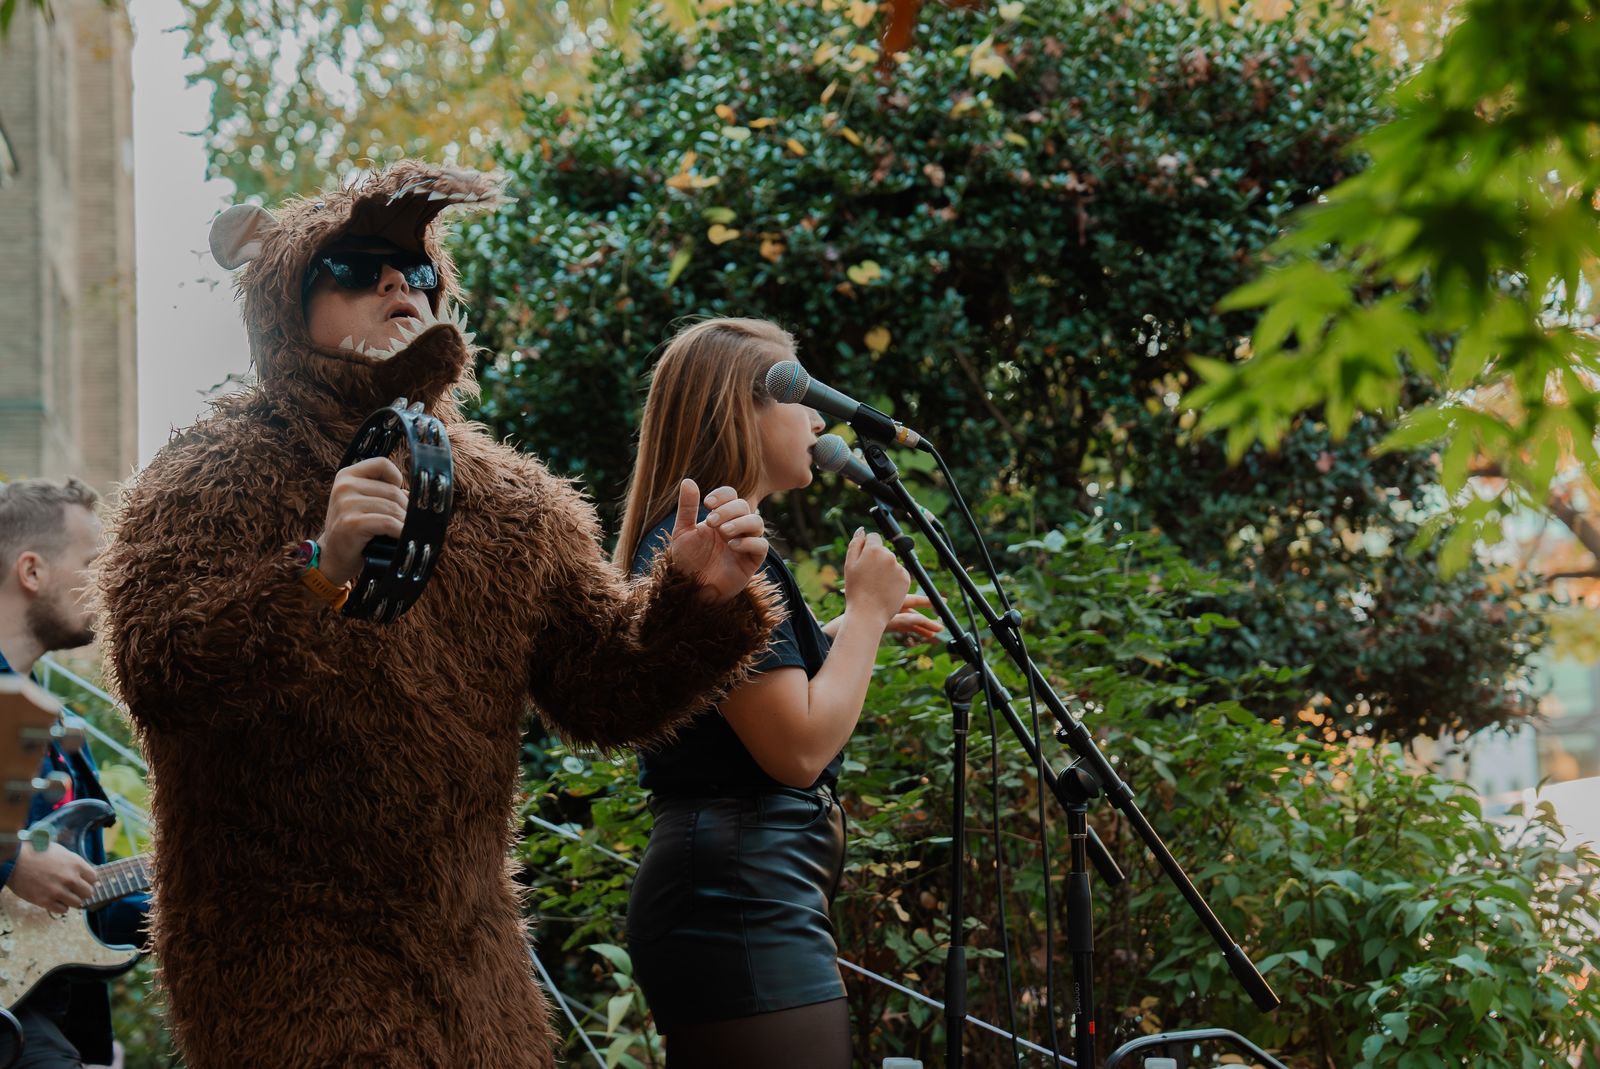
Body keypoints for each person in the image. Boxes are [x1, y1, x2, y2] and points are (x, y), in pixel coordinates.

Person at [96, 163, 782, 1069]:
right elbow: (160, 670)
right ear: (282, 306)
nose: (395, 282)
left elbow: (603, 695)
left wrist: (696, 598)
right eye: (352, 266)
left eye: (415, 270)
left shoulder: (514, 501)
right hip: (281, 952)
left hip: (472, 953)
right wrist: (316, 570)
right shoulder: (208, 474)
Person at [616, 318, 938, 1068]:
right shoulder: (711, 552)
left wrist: (831, 636)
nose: (820, 420)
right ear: (741, 409)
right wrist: (866, 613)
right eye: (803, 395)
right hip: (738, 897)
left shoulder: (711, 546)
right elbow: (797, 749)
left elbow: (741, 696)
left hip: (747, 886)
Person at [0, 477, 150, 1069]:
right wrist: (14, 861)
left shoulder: (57, 727)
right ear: (31, 571)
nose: (108, 582)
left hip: (38, 1016)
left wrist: (187, 897)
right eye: (92, 564)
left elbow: (84, 906)